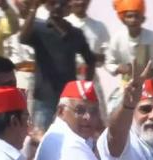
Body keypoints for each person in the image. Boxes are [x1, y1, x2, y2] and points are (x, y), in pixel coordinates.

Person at [20, 0, 96, 131]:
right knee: (41, 137)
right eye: (53, 2)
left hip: (69, 98)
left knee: (69, 135)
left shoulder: (75, 33)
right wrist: (33, 9)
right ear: (48, 6)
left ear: (68, 7)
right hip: (44, 98)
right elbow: (23, 38)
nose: (57, 7)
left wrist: (85, 87)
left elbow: (91, 60)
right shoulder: (39, 29)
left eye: (62, 3)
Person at [105, 0, 153, 81]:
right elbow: (108, 63)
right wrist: (118, 68)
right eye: (129, 16)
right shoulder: (117, 39)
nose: (133, 20)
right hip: (127, 88)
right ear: (123, 19)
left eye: (136, 16)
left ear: (143, 19)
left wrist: (152, 72)